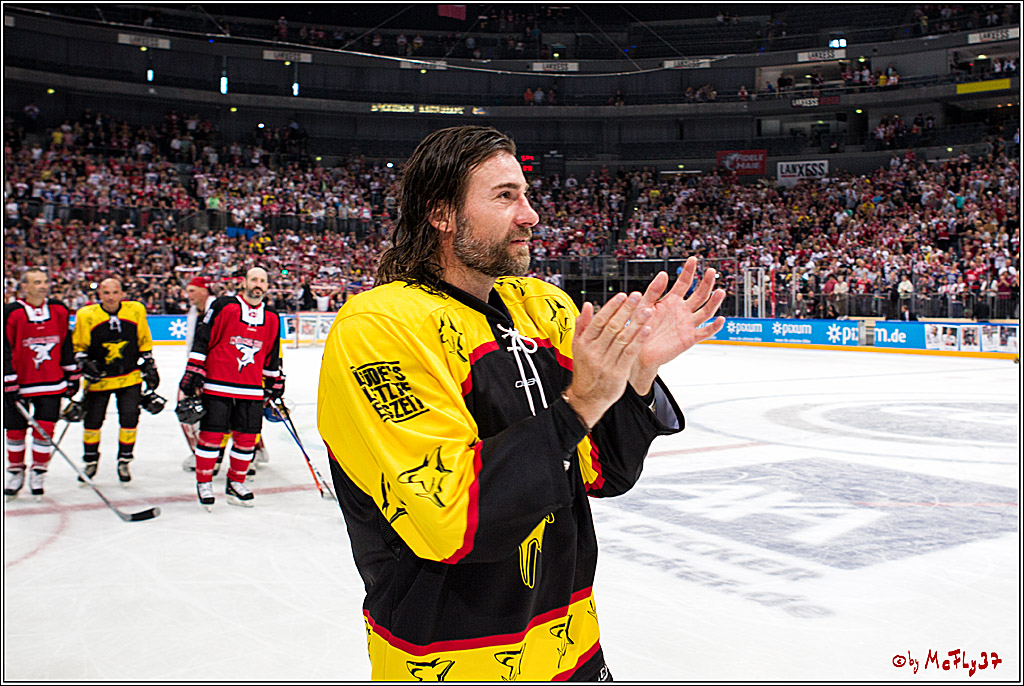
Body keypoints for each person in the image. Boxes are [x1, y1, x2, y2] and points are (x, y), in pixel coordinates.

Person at [317, 126, 725, 681]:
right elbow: (454, 521)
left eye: (526, 195)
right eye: (506, 196)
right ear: (442, 214)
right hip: (453, 661)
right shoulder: (380, 327)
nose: (530, 215)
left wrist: (638, 374)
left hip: (571, 644)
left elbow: (603, 471)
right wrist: (579, 403)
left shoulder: (539, 306)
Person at [178, 267, 283, 510]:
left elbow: (272, 353)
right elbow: (203, 337)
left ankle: (236, 482)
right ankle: (204, 482)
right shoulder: (225, 306)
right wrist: (194, 369)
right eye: (254, 279)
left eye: (263, 281)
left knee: (247, 439)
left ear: (267, 286)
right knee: (211, 437)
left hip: (252, 388)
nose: (258, 284)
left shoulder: (273, 316)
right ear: (244, 282)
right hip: (217, 384)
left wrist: (275, 382)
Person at [73, 278, 159, 483]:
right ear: (99, 295)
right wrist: (84, 363)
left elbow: (144, 339)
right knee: (92, 421)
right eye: (106, 293)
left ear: (122, 293)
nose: (111, 297)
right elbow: (79, 346)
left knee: (129, 419)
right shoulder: (86, 315)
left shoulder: (135, 310)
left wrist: (149, 363)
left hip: (129, 377)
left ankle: (124, 460)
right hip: (99, 380)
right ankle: (91, 460)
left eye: (115, 292)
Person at [4, 268, 79, 498]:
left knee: (45, 431)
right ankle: (16, 471)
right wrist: (8, 380)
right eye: (37, 282)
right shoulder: (11, 312)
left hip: (51, 382)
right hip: (19, 384)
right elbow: (4, 348)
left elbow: (66, 343)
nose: (43, 286)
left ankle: (39, 471)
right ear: (24, 287)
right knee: (15, 432)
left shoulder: (58, 309)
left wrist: (72, 373)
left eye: (45, 281)